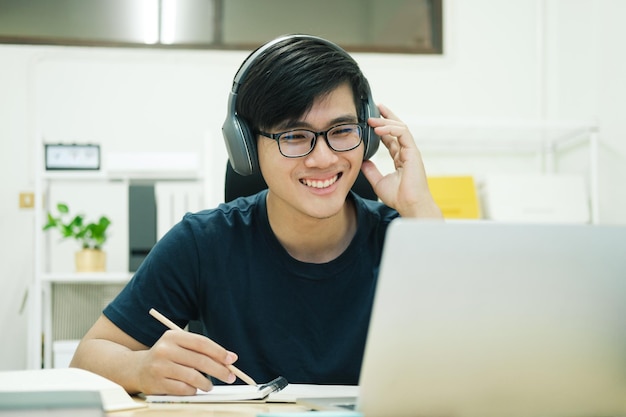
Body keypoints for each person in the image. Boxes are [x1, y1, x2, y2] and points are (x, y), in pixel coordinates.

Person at [70, 34, 442, 395]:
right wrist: (139, 367)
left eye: (342, 130)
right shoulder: (203, 243)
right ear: (246, 146)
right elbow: (89, 356)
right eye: (294, 136)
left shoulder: (406, 237)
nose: (324, 158)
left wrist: (419, 208)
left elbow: (489, 349)